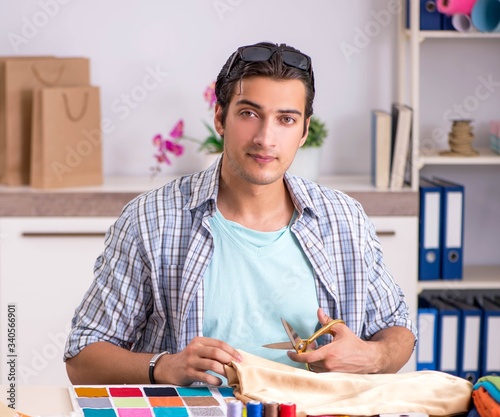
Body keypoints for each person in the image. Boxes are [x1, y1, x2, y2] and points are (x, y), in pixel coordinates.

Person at [64, 41, 417, 386]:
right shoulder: (150, 219)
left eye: (286, 119)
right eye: (249, 114)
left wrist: (373, 357)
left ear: (304, 131)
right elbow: (82, 357)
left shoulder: (345, 220)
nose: (265, 137)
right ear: (220, 118)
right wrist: (163, 366)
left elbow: (399, 329)